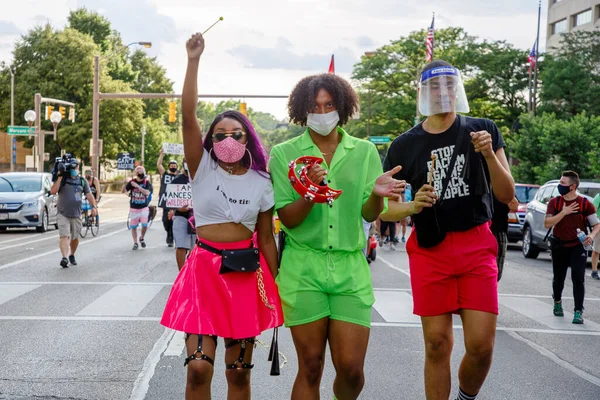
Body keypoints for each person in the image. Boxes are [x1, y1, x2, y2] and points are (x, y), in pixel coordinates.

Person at [381, 60, 515, 400]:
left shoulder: (482, 129)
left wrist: (488, 155)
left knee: (481, 345)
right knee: (437, 343)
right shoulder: (403, 145)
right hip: (430, 248)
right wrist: (412, 205)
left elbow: (506, 194)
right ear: (422, 93)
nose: (443, 92)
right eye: (434, 87)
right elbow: (387, 208)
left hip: (475, 242)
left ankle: (466, 396)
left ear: (458, 89)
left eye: (449, 85)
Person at [160, 32, 283, 399]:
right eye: (219, 134)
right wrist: (193, 60)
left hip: (246, 277)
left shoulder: (263, 181)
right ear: (210, 140)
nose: (228, 139)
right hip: (203, 272)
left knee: (239, 375)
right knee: (198, 369)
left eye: (237, 133)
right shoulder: (201, 169)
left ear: (248, 140)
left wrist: (271, 289)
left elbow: (265, 238)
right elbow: (187, 116)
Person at [269, 72, 403, 400]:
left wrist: (376, 193)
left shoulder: (364, 152)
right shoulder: (284, 154)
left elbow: (370, 213)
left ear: (342, 107)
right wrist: (310, 191)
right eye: (314, 106)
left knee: (352, 370)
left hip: (350, 270)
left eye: (329, 104)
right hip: (303, 269)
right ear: (302, 110)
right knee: (311, 366)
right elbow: (288, 219)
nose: (322, 112)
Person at [545, 171, 600, 324]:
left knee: (578, 278)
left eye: (563, 183)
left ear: (572, 186)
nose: (559, 185)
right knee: (559, 279)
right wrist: (563, 212)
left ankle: (578, 312)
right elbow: (547, 223)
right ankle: (557, 302)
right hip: (559, 245)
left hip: (578, 245)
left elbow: (596, 224)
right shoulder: (554, 203)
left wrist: (591, 236)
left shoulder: (584, 204)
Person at [50, 159, 97, 268]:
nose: (74, 170)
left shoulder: (82, 181)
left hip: (76, 214)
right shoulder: (63, 179)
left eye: (76, 168)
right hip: (63, 213)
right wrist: (60, 176)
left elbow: (89, 195)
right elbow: (53, 191)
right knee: (64, 236)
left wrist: (94, 207)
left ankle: (72, 254)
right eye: (72, 168)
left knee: (75, 237)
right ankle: (64, 258)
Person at [168, 159, 196, 270]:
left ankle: (192, 270)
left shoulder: (200, 179)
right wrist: (178, 208)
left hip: (197, 218)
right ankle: (181, 273)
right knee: (181, 245)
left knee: (195, 247)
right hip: (180, 216)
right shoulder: (176, 181)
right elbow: (171, 200)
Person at [123, 166, 153, 250]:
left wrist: (137, 186)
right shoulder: (132, 182)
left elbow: (147, 193)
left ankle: (142, 237)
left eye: (143, 172)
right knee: (133, 226)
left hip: (144, 206)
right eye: (140, 172)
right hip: (134, 207)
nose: (142, 174)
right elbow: (124, 190)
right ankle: (135, 242)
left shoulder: (146, 183)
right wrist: (125, 186)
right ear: (136, 173)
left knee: (144, 225)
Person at [490, 195, 518, 282]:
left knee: (497, 269)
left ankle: (491, 290)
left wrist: (508, 190)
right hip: (480, 230)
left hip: (498, 230)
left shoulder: (503, 187)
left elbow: (514, 207)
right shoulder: (480, 183)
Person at [157, 149, 179, 247]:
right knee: (165, 220)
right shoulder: (165, 174)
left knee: (175, 219)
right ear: (169, 167)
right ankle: (169, 232)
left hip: (177, 201)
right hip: (166, 200)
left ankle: (172, 236)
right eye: (171, 166)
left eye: (174, 166)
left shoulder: (180, 176)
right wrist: (161, 155)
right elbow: (159, 165)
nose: (173, 167)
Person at [591, 192, 600, 280]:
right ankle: (594, 271)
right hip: (599, 226)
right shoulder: (598, 196)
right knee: (597, 249)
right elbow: (593, 211)